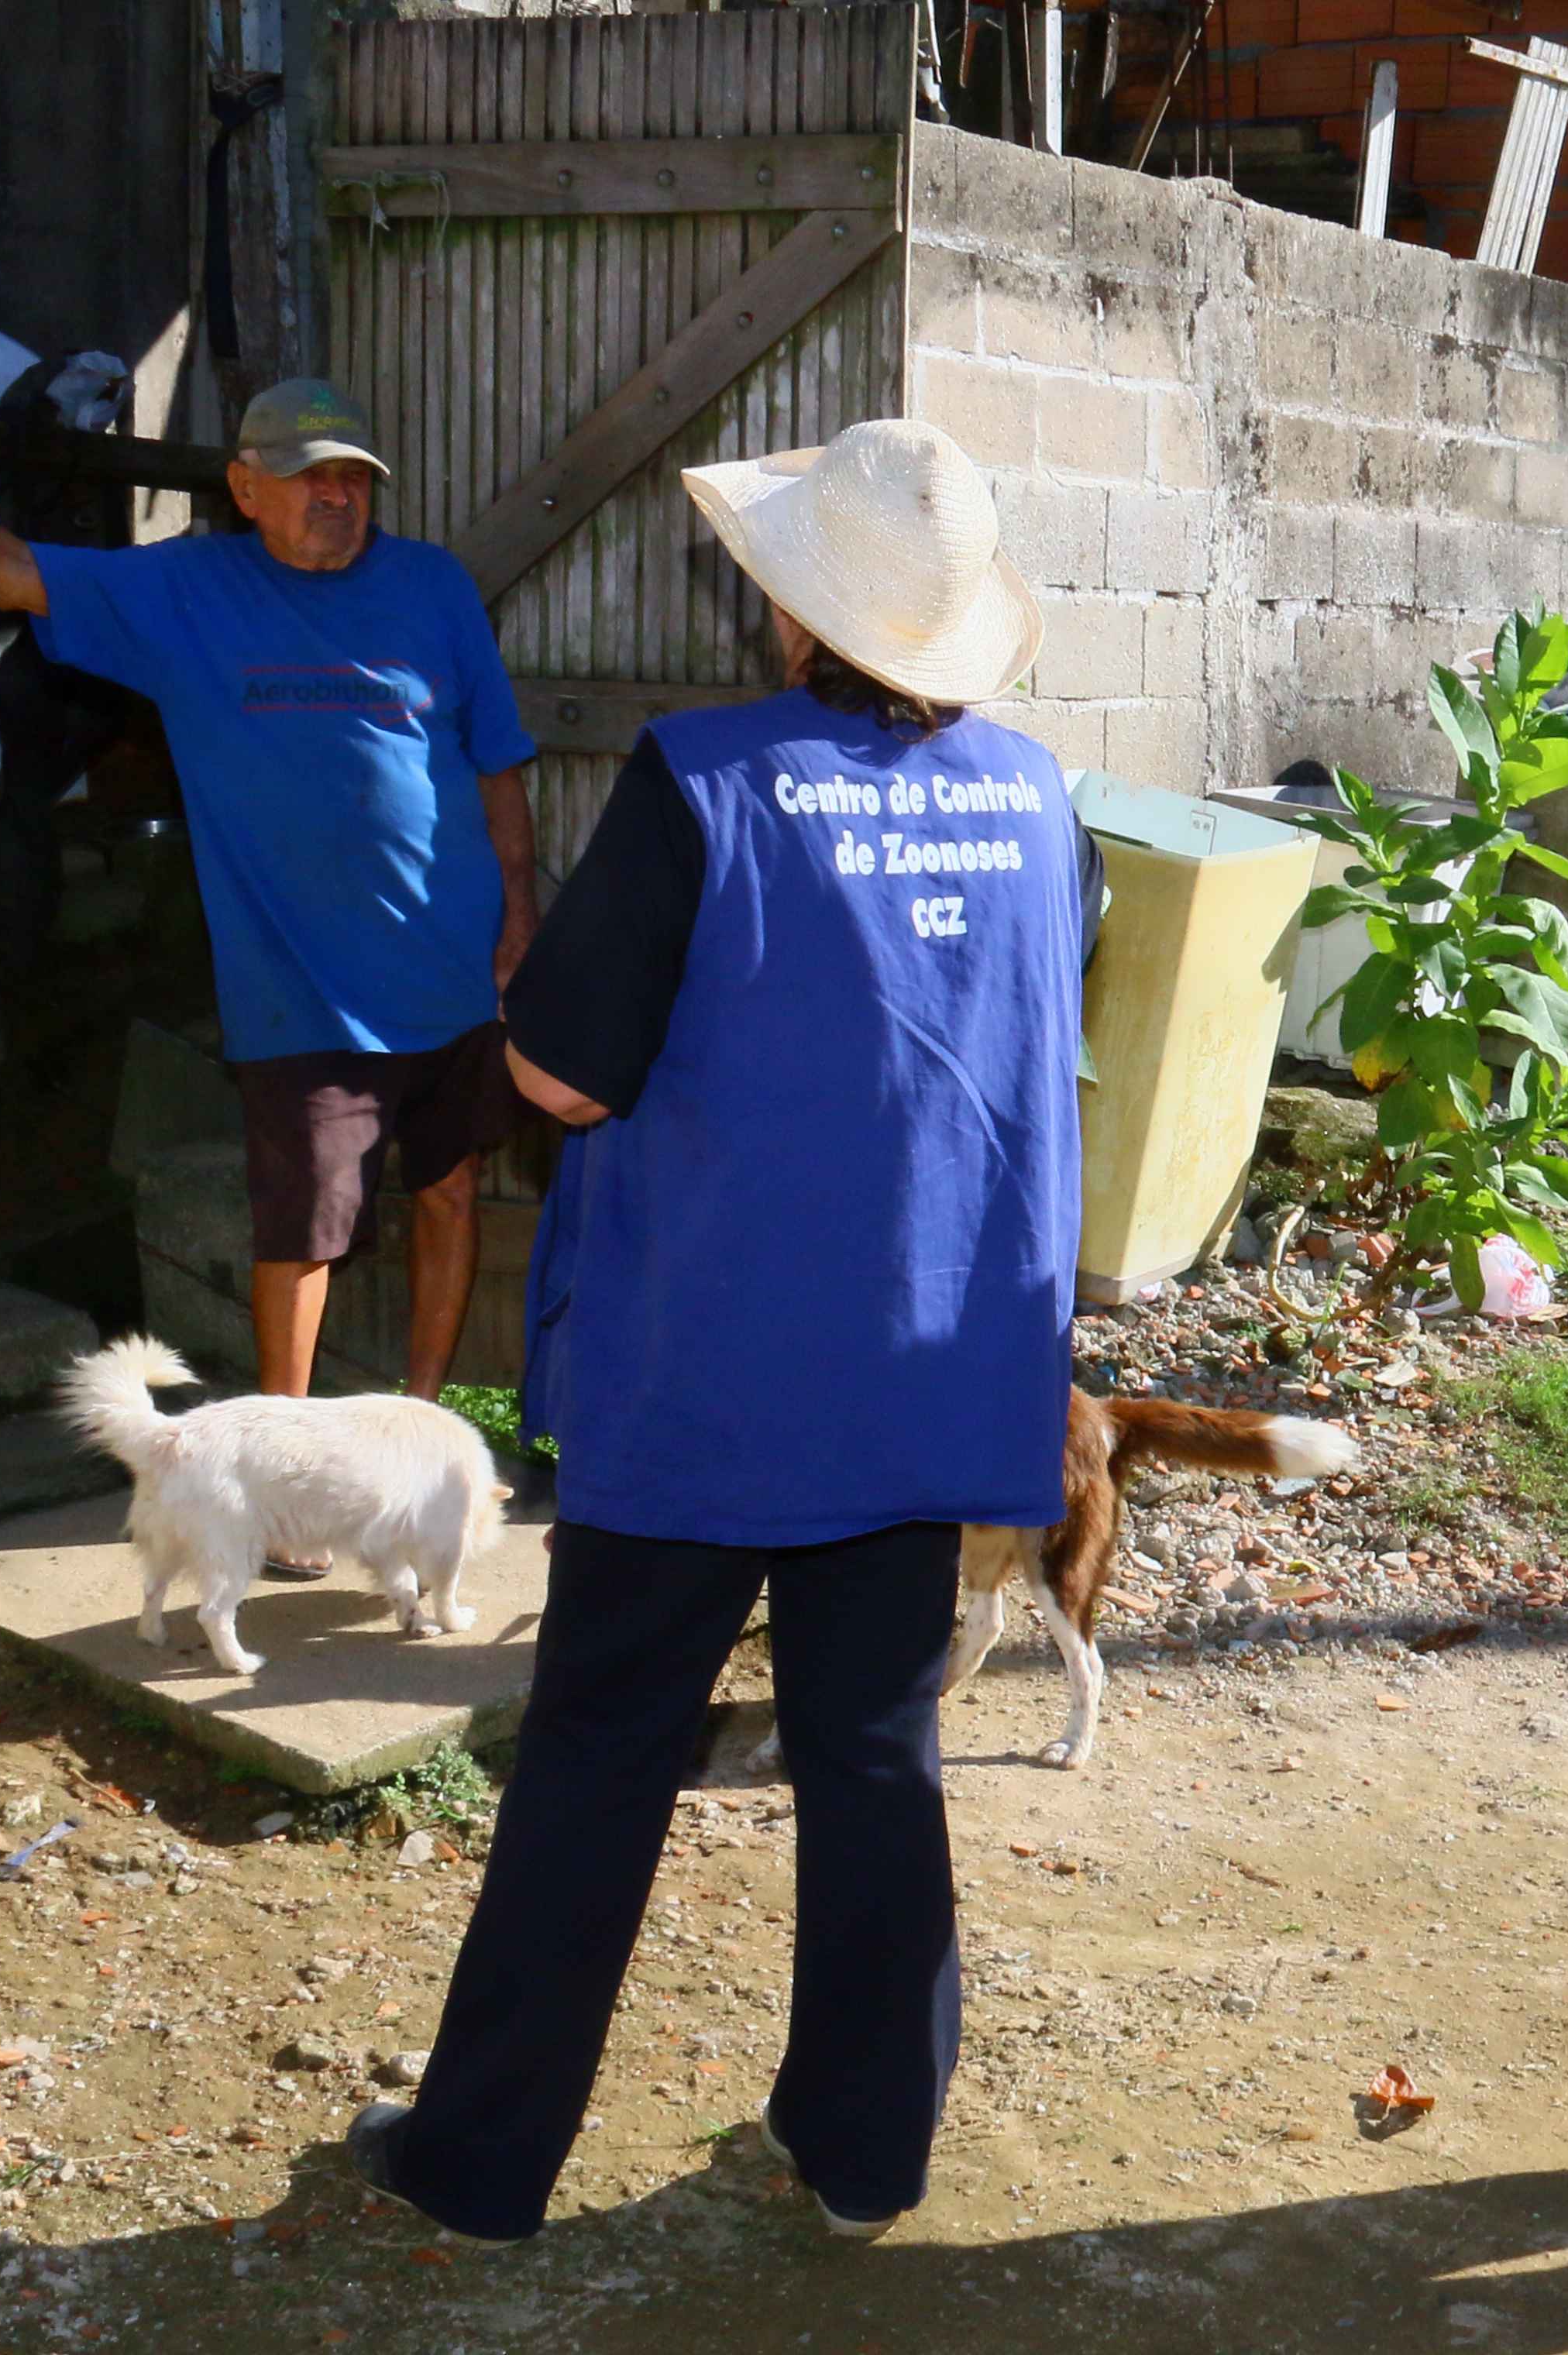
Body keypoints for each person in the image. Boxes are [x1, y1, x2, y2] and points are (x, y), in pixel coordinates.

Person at [346, 418, 1084, 2246]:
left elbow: (562, 1077)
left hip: (709, 1369)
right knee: (872, 1749)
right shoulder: (1038, 795)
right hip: (921, 1355)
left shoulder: (701, 781)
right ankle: (864, 2150)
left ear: (789, 605)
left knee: (599, 1747)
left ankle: (480, 2157)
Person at [0, 346, 540, 1405]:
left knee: (448, 1191)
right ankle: (285, 1454)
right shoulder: (188, 591)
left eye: (354, 478)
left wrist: (518, 915)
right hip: (304, 988)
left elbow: (496, 762)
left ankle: (420, 1422)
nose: (338, 496)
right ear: (245, 488)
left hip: (451, 966)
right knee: (304, 1229)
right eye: (311, 477)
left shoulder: (432, 586)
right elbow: (13, 568)